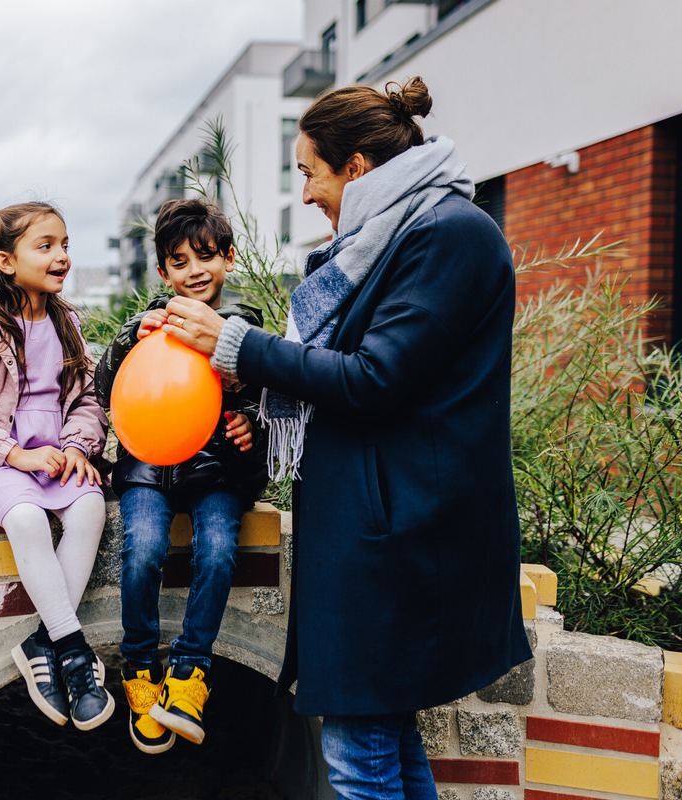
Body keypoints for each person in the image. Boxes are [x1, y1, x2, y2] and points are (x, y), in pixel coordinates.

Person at [154, 77, 533, 798]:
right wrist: (243, 376)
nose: (303, 194)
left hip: (404, 530)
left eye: (308, 172)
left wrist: (238, 343)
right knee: (384, 743)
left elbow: (372, 377)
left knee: (360, 756)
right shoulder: (397, 234)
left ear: (356, 167)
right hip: (379, 523)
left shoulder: (450, 235)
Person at [94, 198, 267, 754]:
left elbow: (270, 395)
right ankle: (140, 665)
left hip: (217, 470)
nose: (195, 270)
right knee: (142, 547)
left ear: (229, 259)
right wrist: (128, 341)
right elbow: (107, 392)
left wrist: (250, 425)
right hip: (147, 465)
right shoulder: (146, 327)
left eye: (207, 256)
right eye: (180, 260)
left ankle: (190, 673)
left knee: (217, 551)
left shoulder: (242, 325)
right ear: (163, 272)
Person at [0, 202, 113, 731]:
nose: (62, 256)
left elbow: (87, 399)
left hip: (55, 457)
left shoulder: (67, 323)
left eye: (65, 245)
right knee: (30, 520)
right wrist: (16, 454)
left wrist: (80, 446)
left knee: (88, 510)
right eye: (47, 246)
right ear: (7, 261)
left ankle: (42, 643)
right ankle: (75, 652)